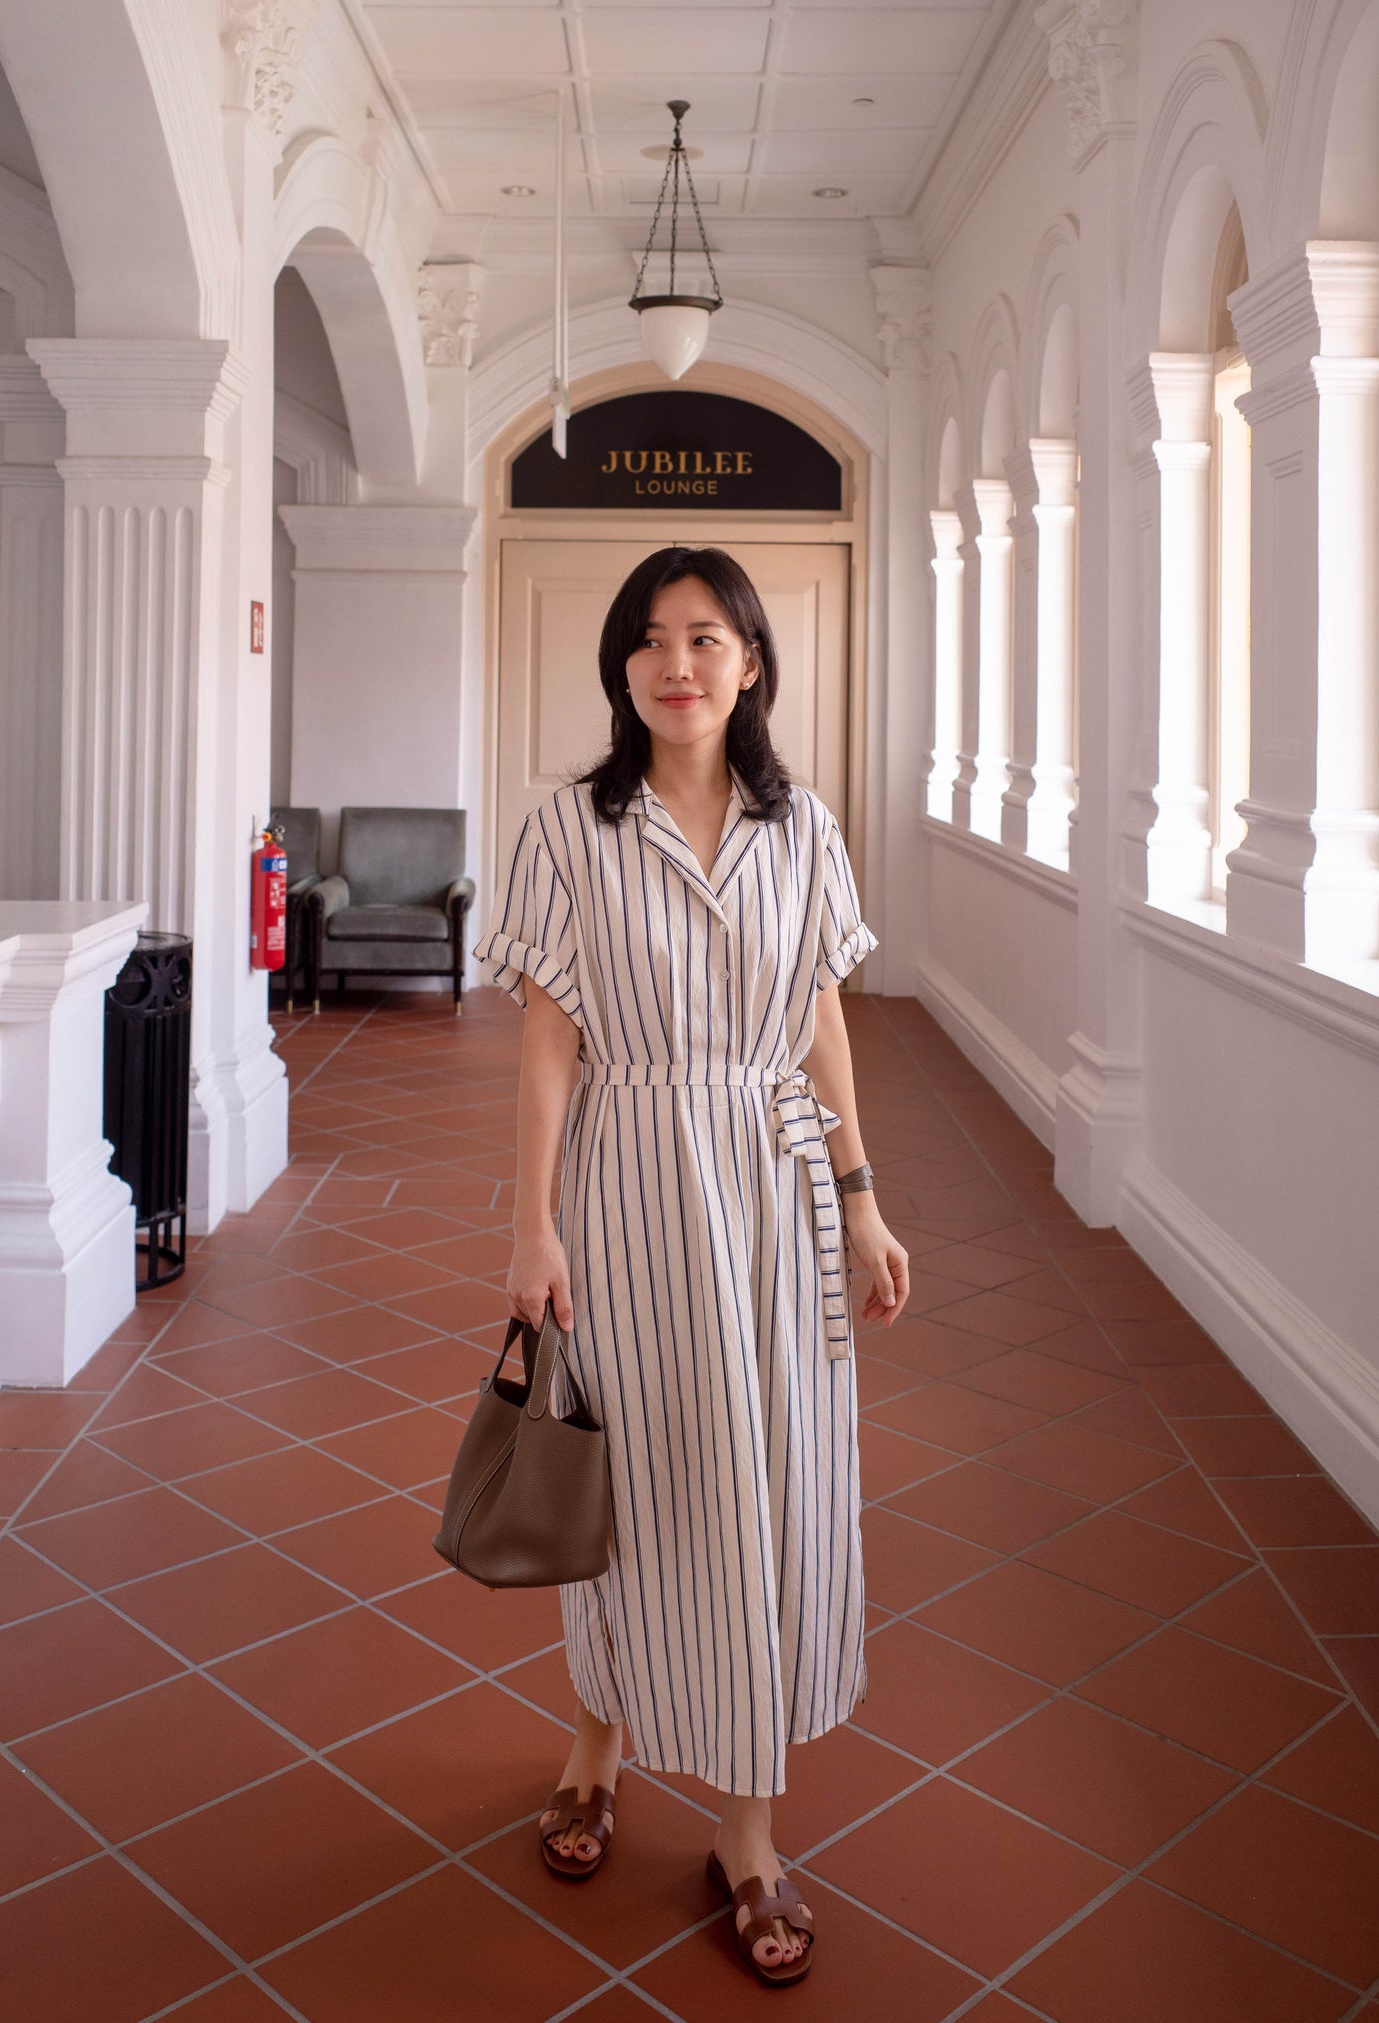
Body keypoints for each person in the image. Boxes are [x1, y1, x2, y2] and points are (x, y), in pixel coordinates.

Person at [471, 545, 910, 1987]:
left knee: (764, 1487)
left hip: (770, 1189)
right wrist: (530, 1222)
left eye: (707, 638)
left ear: (752, 663)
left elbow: (821, 1023)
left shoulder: (802, 830)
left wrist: (860, 1196)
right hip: (628, 1183)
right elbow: (547, 1039)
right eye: (650, 641)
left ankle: (748, 1831)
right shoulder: (569, 830)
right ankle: (596, 1739)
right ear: (619, 670)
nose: (678, 664)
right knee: (634, 1470)